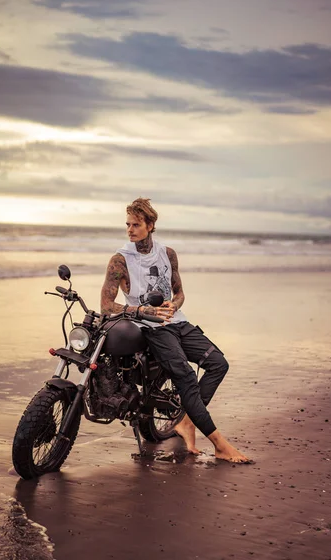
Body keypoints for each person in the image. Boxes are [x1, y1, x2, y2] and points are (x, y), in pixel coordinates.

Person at [100, 197, 249, 462]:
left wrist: (174, 303)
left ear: (150, 225)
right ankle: (220, 444)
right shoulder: (120, 260)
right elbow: (106, 305)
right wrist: (141, 311)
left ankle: (187, 422)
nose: (130, 230)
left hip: (178, 321)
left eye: (136, 224)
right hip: (150, 328)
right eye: (127, 224)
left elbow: (179, 293)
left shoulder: (168, 254)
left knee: (218, 364)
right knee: (186, 377)